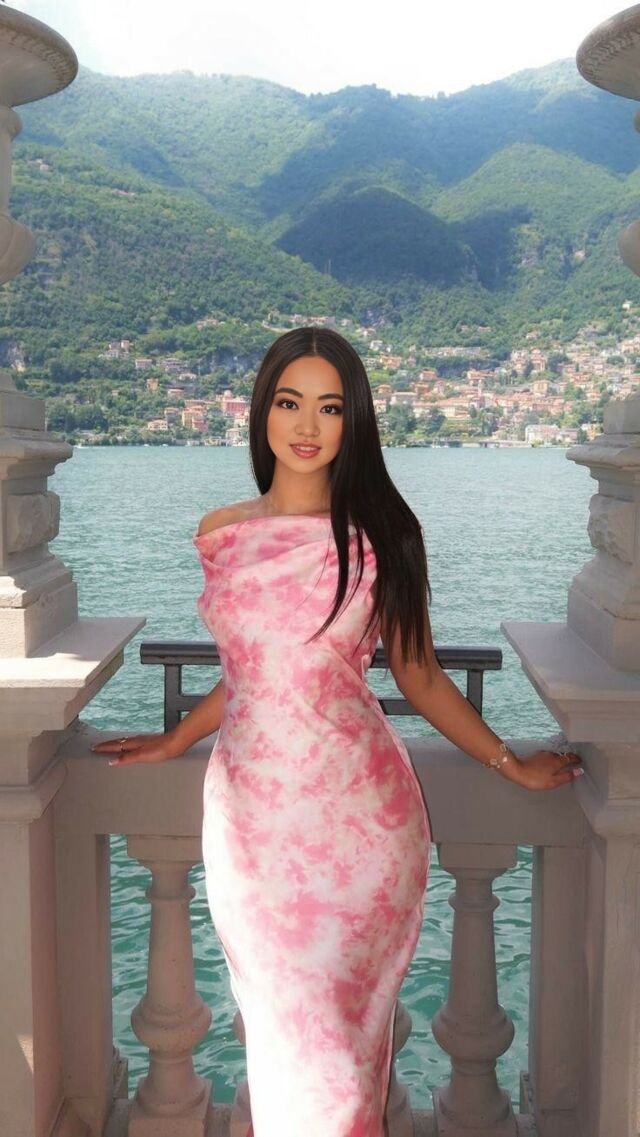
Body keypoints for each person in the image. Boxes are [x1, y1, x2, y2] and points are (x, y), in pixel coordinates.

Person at [92, 326, 583, 1137]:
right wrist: (177, 740)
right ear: (263, 410)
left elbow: (418, 675)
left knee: (339, 1077)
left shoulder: (383, 536)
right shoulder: (222, 533)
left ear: (354, 421)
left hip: (358, 834)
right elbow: (256, 668)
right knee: (284, 1057)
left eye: (330, 407)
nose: (307, 424)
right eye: (291, 402)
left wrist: (511, 762)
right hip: (251, 838)